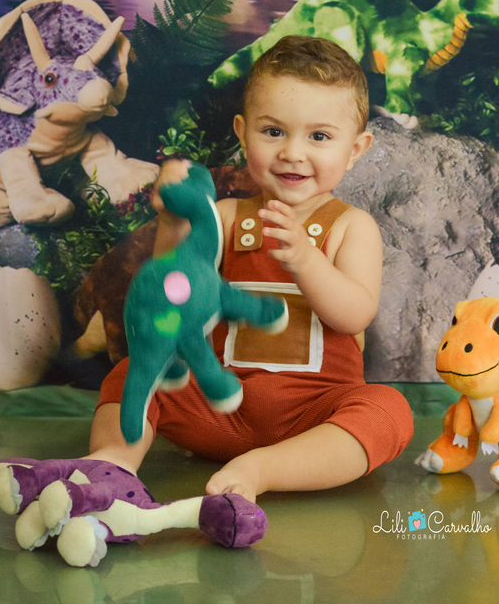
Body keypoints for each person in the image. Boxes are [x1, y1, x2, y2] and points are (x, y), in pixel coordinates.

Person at [88, 34, 414, 502]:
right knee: (137, 370)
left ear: (356, 149)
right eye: (273, 131)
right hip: (221, 404)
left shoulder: (350, 227)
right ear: (242, 132)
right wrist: (173, 217)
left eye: (319, 136)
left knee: (388, 411)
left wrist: (305, 259)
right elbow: (174, 283)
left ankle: (263, 470)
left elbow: (354, 315)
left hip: (313, 414)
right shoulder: (224, 217)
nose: (293, 153)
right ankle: (114, 461)